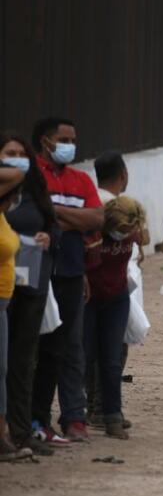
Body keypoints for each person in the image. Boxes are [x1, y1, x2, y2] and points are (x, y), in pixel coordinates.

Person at [32, 117, 104, 442]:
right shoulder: (29, 174)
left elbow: (97, 218)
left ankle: (74, 417)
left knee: (72, 346)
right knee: (36, 347)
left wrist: (54, 212)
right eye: (64, 139)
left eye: (73, 139)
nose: (70, 146)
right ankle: (36, 419)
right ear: (45, 141)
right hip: (35, 273)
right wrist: (71, 218)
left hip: (72, 273)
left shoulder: (82, 180)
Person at [83, 152, 149, 439]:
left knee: (110, 356)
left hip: (117, 294)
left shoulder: (128, 211)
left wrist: (136, 234)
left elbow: (144, 237)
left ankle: (111, 415)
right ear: (123, 173)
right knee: (87, 354)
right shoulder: (96, 216)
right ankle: (87, 412)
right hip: (90, 296)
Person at [2, 133, 59, 455]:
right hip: (2, 287)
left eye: (22, 154)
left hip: (31, 282)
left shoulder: (36, 192)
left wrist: (48, 236)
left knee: (24, 360)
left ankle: (22, 431)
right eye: (9, 153)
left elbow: (54, 225)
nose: (17, 158)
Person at [0, 147, 28, 460]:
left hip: (4, 301)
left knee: (2, 369)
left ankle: (2, 437)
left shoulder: (3, 216)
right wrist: (9, 167)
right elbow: (17, 173)